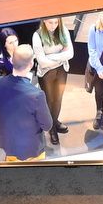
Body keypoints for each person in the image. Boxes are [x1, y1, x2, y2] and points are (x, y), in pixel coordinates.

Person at [0, 44, 53, 161]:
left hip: (8, 144)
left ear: (11, 60)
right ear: (31, 64)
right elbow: (47, 125)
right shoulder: (37, 94)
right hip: (31, 150)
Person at [30, 16, 73, 144]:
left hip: (61, 70)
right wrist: (61, 56)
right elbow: (42, 62)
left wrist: (50, 57)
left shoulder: (63, 30)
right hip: (46, 73)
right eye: (50, 22)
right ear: (44, 21)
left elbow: (70, 54)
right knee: (49, 100)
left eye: (56, 22)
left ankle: (54, 122)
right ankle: (51, 128)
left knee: (58, 98)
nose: (53, 26)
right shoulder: (37, 35)